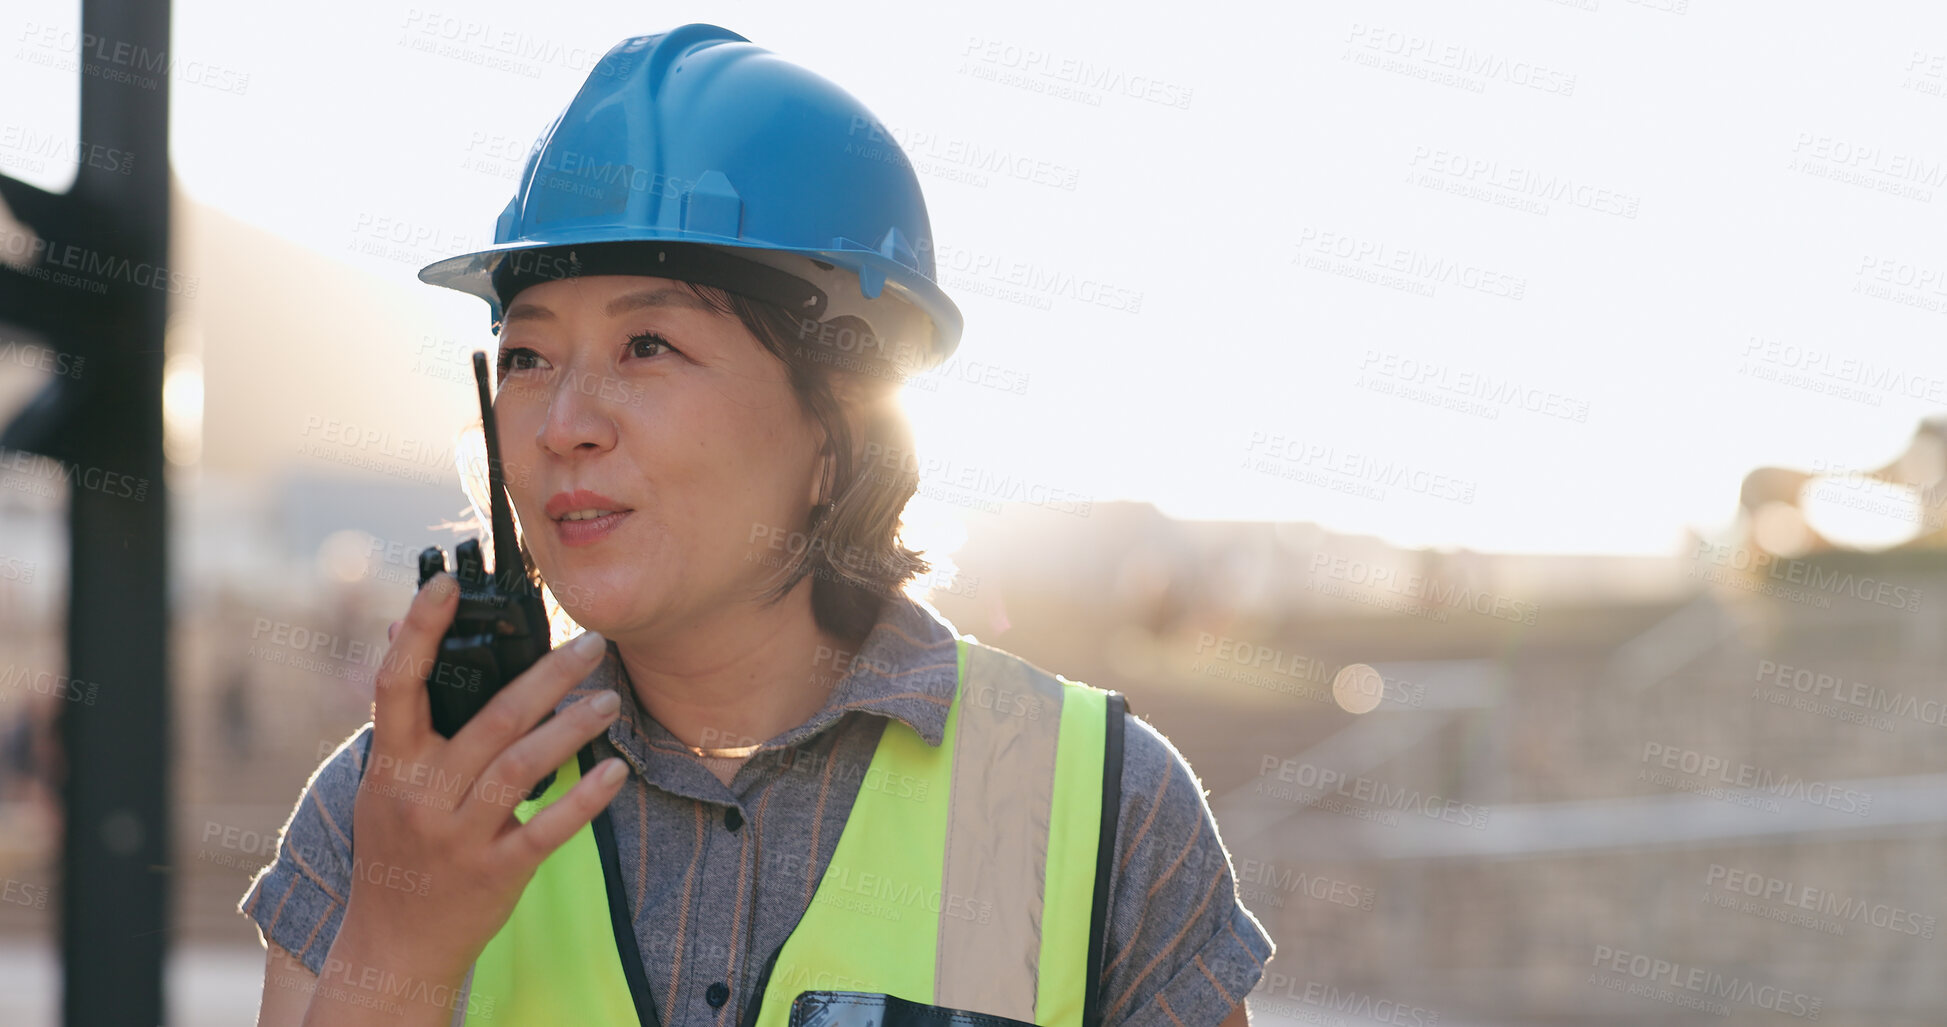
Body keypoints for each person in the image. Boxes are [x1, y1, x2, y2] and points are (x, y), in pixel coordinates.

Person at [240, 23, 1274, 1027]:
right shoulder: (399, 802)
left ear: (839, 427)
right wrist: (396, 951)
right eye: (526, 357)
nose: (564, 425)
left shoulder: (1105, 812)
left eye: (647, 344)